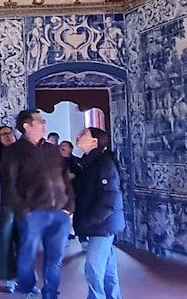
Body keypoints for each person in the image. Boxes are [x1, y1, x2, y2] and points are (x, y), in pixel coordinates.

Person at [0, 109, 74, 299]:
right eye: (40, 121)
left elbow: (65, 178)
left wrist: (69, 205)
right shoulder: (14, 152)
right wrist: (24, 211)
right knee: (27, 258)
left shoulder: (51, 149)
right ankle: (28, 289)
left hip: (59, 213)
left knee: (55, 259)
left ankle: (50, 294)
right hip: (33, 215)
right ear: (27, 126)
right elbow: (8, 185)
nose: (44, 124)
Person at [72, 128, 123, 299]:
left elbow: (110, 197)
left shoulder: (103, 163)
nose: (78, 137)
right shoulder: (88, 163)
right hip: (99, 223)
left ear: (95, 141)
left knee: (93, 265)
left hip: (102, 224)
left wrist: (93, 219)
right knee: (107, 266)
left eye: (83, 135)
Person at [0, 126, 19, 293]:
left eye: (10, 133)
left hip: (24, 204)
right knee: (5, 243)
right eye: (4, 134)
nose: (8, 136)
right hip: (4, 205)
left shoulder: (24, 153)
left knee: (26, 243)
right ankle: (9, 279)